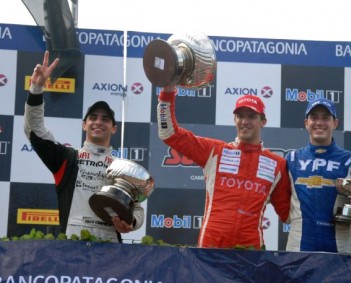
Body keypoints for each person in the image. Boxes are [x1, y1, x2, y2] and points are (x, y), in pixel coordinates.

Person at [24, 51, 144, 242]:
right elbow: (34, 130)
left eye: (105, 119)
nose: (98, 122)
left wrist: (132, 223)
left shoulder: (122, 168)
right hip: (72, 247)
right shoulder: (66, 158)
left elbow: (136, 208)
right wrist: (37, 87)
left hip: (111, 248)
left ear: (114, 128)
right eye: (93, 118)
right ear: (84, 125)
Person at [156, 86, 291, 249]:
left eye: (251, 116)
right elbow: (169, 134)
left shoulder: (277, 164)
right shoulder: (215, 151)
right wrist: (167, 93)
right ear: (234, 119)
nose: (245, 121)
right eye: (240, 116)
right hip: (211, 245)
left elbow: (289, 214)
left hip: (250, 249)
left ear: (263, 121)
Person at [285, 98, 351, 253]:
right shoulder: (291, 159)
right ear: (306, 123)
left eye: (326, 118)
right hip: (299, 246)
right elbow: (277, 198)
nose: (319, 122)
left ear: (335, 123)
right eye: (314, 117)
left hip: (340, 247)